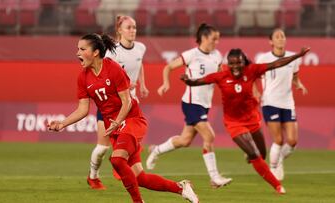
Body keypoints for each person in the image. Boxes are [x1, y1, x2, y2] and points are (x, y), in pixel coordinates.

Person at [47, 33, 199, 203]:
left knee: (117, 159)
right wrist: (62, 124)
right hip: (115, 127)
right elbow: (82, 109)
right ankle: (181, 188)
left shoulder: (113, 69)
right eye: (78, 49)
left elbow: (126, 102)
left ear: (95, 52)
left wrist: (117, 121)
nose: (78, 53)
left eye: (82, 49)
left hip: (131, 120)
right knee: (139, 177)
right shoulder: (83, 77)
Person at [180, 47, 310, 194]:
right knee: (254, 154)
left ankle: (251, 156)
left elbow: (276, 64)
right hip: (233, 123)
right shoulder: (221, 76)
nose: (235, 67)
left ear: (244, 62)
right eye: (232, 63)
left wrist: (298, 55)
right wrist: (188, 81)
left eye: (239, 63)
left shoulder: (252, 70)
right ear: (227, 64)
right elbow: (198, 82)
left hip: (252, 119)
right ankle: (277, 186)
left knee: (261, 154)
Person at [146, 23, 232, 188]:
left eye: (218, 39)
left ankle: (156, 150)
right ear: (204, 38)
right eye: (214, 39)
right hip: (192, 103)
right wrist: (165, 84)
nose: (216, 42)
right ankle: (214, 178)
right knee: (210, 136)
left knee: (185, 141)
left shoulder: (217, 55)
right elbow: (169, 67)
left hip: (204, 104)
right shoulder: (191, 54)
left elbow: (221, 75)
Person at [87, 15, 149, 190]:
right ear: (119, 31)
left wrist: (142, 84)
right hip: (109, 105)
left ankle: (123, 166)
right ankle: (93, 176)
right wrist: (126, 84)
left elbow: (139, 63)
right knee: (102, 148)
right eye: (129, 27)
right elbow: (104, 74)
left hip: (129, 105)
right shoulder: (112, 52)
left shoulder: (141, 48)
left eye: (135, 27)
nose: (133, 31)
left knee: (133, 140)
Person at [256, 28, 308, 181]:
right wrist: (255, 92)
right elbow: (253, 77)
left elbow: (295, 76)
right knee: (278, 140)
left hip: (287, 103)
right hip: (270, 102)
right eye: (277, 37)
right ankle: (273, 167)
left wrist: (299, 84)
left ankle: (278, 159)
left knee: (292, 141)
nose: (280, 39)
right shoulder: (264, 58)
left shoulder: (293, 57)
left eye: (282, 36)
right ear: (271, 41)